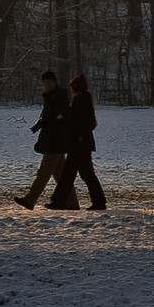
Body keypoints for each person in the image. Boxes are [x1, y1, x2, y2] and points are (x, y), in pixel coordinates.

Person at [49, 75, 107, 210]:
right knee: (87, 174)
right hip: (84, 144)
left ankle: (58, 201)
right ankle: (99, 201)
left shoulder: (80, 102)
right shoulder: (84, 101)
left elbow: (76, 123)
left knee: (68, 174)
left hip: (78, 144)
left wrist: (64, 122)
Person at [14, 71, 69, 209]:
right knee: (61, 176)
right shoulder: (50, 97)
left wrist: (46, 123)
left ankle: (30, 200)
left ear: (55, 82)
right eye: (45, 83)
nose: (47, 85)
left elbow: (60, 117)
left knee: (43, 174)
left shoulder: (59, 96)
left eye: (49, 82)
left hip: (55, 141)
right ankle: (71, 202)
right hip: (53, 140)